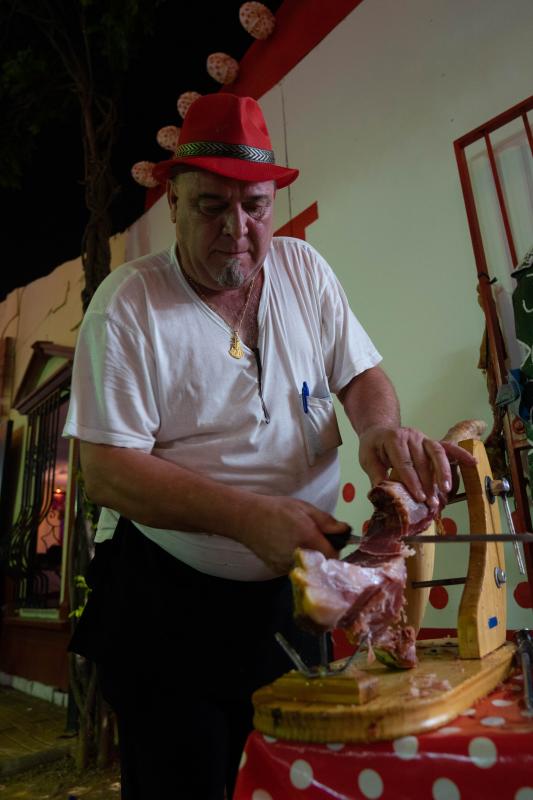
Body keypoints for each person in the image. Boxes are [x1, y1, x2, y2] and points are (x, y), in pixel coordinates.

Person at [64, 93, 474, 799]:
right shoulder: (127, 305)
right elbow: (106, 472)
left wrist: (376, 428)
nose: (238, 230)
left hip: (289, 601)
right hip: (169, 609)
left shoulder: (302, 270)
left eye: (254, 206)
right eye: (211, 207)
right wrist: (247, 517)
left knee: (294, 781)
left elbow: (362, 376)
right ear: (173, 203)